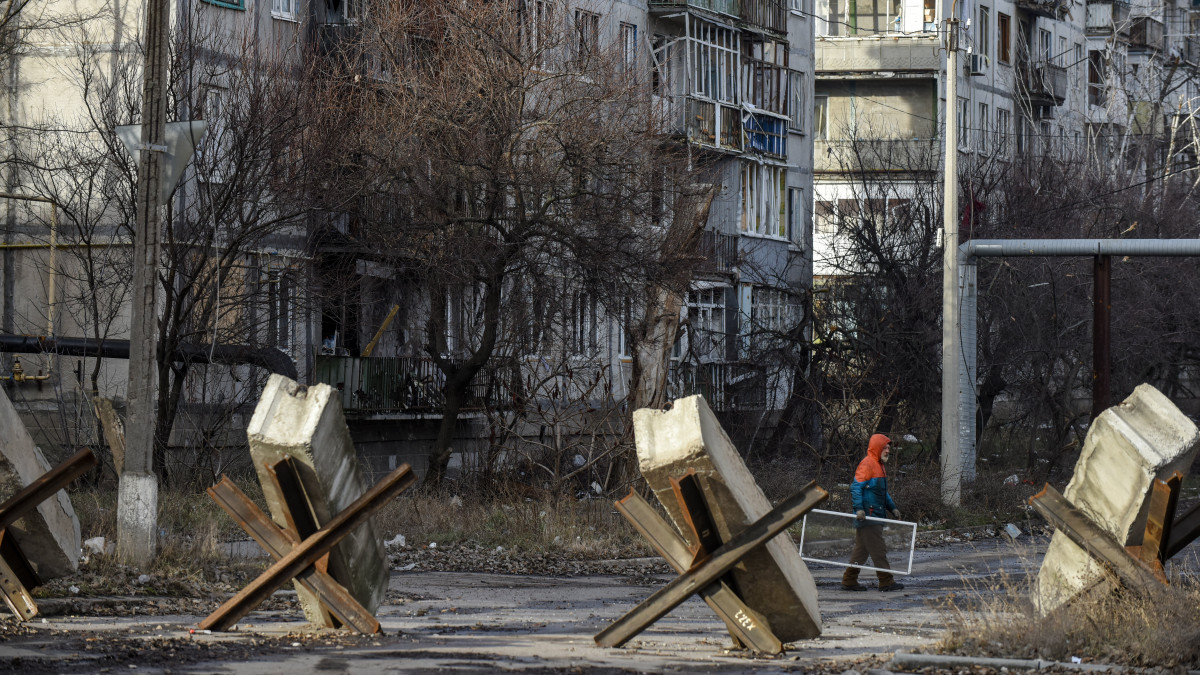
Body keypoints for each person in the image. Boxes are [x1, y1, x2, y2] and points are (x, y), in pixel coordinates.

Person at [841, 433, 904, 592]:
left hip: (874, 516)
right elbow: (856, 488)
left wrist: (893, 508)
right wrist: (860, 509)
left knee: (860, 553)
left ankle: (849, 580)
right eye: (885, 447)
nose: (888, 450)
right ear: (877, 448)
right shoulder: (868, 464)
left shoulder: (879, 465)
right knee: (878, 550)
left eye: (889, 448)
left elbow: (883, 494)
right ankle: (886, 581)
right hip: (869, 517)